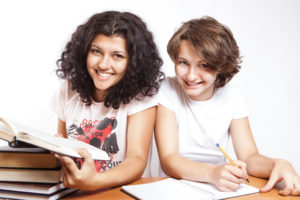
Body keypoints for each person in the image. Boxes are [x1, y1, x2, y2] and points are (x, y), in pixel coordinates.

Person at [154, 16, 300, 196]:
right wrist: (213, 173)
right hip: (172, 190)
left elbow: (248, 157)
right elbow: (169, 160)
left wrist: (277, 164)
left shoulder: (233, 96)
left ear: (221, 67)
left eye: (204, 65)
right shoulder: (167, 89)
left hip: (217, 190)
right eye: (183, 62)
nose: (191, 76)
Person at [50, 11, 164, 190]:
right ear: (83, 52)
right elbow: (64, 148)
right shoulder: (68, 90)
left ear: (134, 61)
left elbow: (137, 160)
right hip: (74, 192)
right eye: (96, 51)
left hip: (119, 192)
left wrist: (93, 181)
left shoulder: (141, 97)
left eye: (117, 56)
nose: (103, 65)